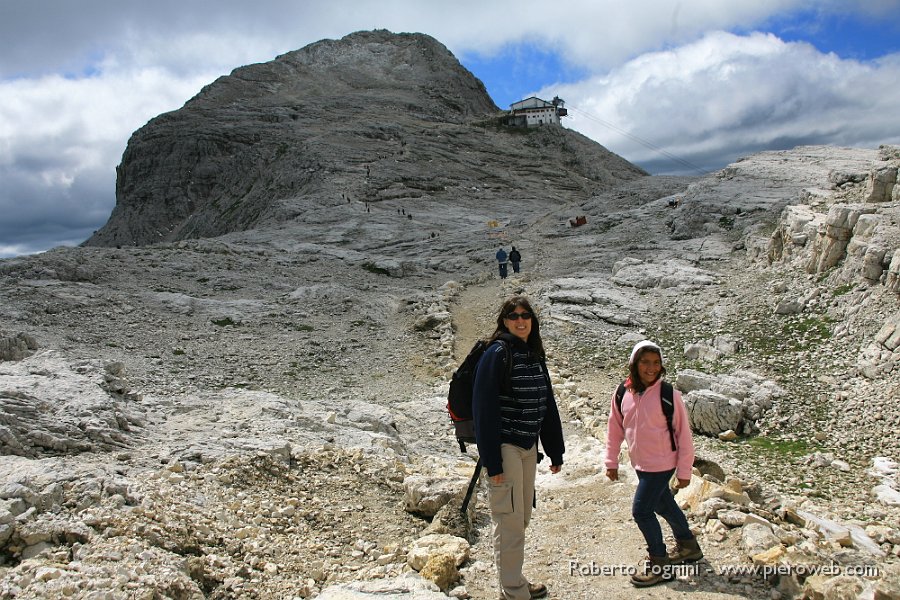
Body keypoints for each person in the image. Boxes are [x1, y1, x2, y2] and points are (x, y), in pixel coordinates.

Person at [472, 296, 565, 600]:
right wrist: (492, 463)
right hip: (505, 448)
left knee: (520, 516)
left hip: (528, 446)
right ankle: (513, 592)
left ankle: (514, 581)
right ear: (504, 320)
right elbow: (483, 409)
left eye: (526, 315)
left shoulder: (534, 353)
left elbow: (546, 403)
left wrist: (555, 450)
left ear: (533, 320)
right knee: (510, 519)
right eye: (513, 316)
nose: (520, 320)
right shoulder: (497, 353)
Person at [604, 340, 703, 587]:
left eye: (656, 363)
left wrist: (684, 470)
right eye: (645, 362)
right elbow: (614, 429)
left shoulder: (670, 395)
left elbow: (683, 435)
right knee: (663, 504)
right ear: (634, 364)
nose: (651, 368)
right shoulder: (622, 393)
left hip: (662, 464)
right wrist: (611, 461)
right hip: (640, 463)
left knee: (641, 511)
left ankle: (660, 564)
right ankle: (689, 546)